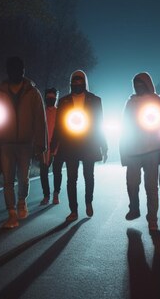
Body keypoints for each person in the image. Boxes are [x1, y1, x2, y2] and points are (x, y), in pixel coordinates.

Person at [0, 56, 47, 229]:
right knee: (8, 180)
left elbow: (39, 119)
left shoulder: (33, 93)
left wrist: (40, 144)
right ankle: (11, 213)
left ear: (23, 71)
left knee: (23, 178)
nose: (17, 73)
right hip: (6, 142)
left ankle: (21, 201)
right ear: (8, 71)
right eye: (13, 69)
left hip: (26, 143)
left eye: (19, 69)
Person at [50, 70, 108, 222]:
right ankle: (73, 210)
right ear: (71, 83)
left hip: (89, 143)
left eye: (79, 81)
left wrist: (104, 145)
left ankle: (88, 202)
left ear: (84, 82)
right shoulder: (63, 101)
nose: (77, 84)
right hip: (70, 144)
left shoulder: (95, 101)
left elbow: (99, 124)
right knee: (71, 178)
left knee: (89, 176)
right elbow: (58, 126)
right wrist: (53, 145)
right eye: (74, 82)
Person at [120, 72, 160, 231]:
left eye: (141, 83)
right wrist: (123, 152)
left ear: (147, 84)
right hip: (132, 150)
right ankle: (134, 208)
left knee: (151, 186)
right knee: (132, 184)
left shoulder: (156, 100)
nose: (138, 87)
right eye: (135, 84)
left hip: (152, 149)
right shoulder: (130, 102)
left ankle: (152, 218)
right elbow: (124, 126)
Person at [39, 88, 64, 205]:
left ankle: (56, 194)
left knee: (57, 171)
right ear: (45, 98)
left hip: (58, 147)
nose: (50, 100)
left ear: (56, 98)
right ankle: (46, 195)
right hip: (44, 148)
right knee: (43, 172)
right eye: (48, 97)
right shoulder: (41, 112)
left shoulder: (60, 112)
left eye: (53, 98)